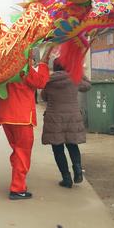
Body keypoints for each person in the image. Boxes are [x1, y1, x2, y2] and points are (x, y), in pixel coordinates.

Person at [0, 47, 51, 200]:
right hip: (21, 116)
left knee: (17, 149)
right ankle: (17, 187)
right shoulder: (23, 67)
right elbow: (41, 82)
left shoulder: (4, 65)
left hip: (6, 115)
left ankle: (18, 181)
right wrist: (44, 62)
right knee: (22, 151)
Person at [40, 60, 91, 188]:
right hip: (72, 117)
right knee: (72, 145)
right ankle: (78, 170)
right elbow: (88, 86)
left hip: (54, 119)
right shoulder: (74, 78)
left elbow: (44, 97)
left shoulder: (49, 81)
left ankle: (66, 178)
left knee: (58, 150)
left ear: (55, 68)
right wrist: (79, 71)